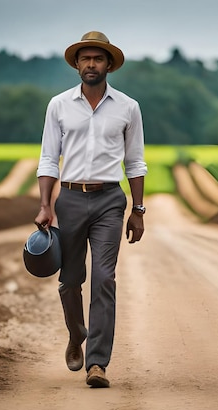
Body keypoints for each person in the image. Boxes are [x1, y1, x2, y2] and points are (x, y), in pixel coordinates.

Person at [34, 31, 147, 388]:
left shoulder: (128, 107)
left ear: (109, 65)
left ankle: (97, 363)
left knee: (104, 278)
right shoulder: (59, 105)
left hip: (109, 201)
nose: (91, 64)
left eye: (98, 59)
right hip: (68, 199)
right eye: (85, 59)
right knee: (69, 281)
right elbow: (49, 158)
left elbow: (136, 161)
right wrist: (44, 206)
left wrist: (138, 210)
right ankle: (76, 332)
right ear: (77, 64)